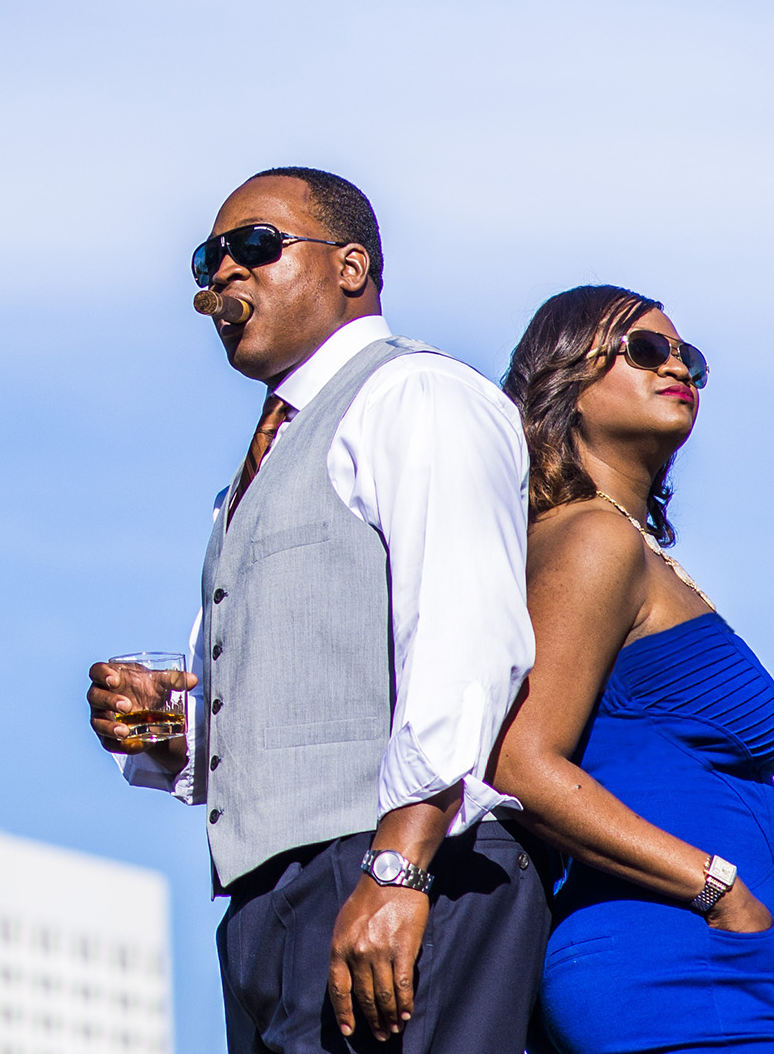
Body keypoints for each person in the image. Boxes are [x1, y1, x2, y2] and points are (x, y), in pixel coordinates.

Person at [88, 168, 541, 1054]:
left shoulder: (415, 395)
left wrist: (397, 865)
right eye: (207, 259)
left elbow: (465, 633)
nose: (223, 275)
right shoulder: (256, 467)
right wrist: (171, 726)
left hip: (396, 871)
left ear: (351, 265)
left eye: (255, 246)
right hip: (273, 903)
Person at [488, 287, 774, 1054]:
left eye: (688, 357)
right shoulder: (593, 539)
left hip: (710, 960)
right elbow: (521, 764)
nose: (679, 367)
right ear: (567, 380)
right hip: (672, 961)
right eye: (645, 350)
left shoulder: (625, 547)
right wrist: (718, 888)